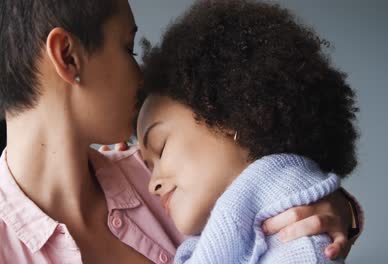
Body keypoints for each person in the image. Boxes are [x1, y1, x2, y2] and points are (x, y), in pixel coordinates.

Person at [0, 0, 362, 263]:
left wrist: (334, 209)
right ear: (68, 57)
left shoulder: (170, 180)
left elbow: (268, 181)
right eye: (127, 47)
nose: (140, 74)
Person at [136, 0, 360, 263]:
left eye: (160, 148)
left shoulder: (302, 249)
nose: (152, 185)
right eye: (148, 166)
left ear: (228, 115)